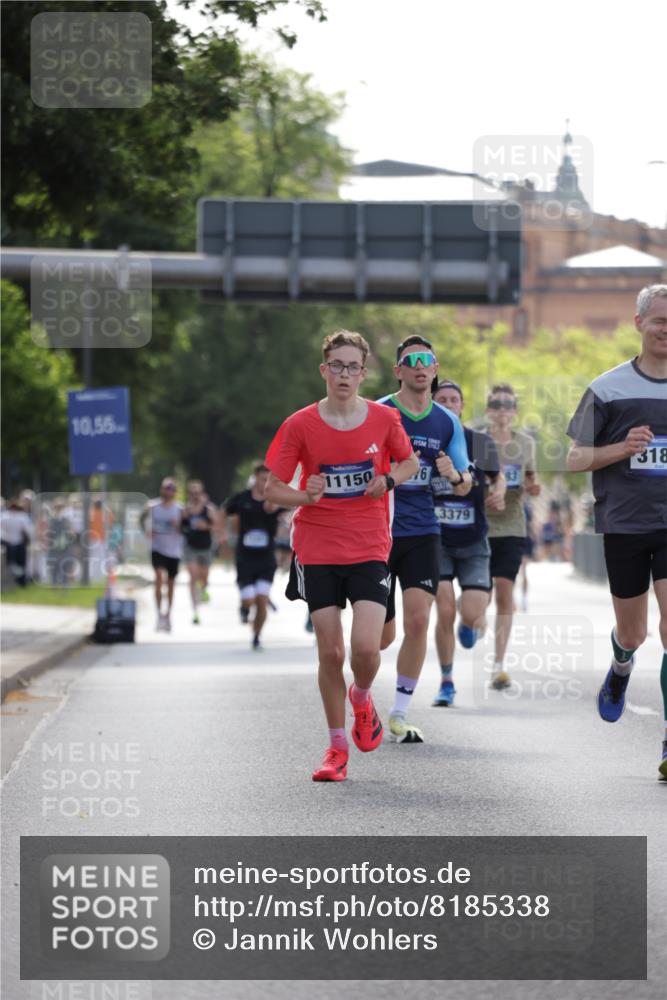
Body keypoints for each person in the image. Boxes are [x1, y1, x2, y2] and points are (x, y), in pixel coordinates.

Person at [264, 330, 418, 781]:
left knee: (367, 648)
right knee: (330, 654)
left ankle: (363, 695)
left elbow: (408, 463)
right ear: (324, 371)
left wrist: (388, 482)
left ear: (364, 374)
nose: (344, 374)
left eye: (353, 367)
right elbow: (272, 489)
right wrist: (303, 496)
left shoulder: (384, 420)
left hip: (369, 544)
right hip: (317, 548)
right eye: (337, 366)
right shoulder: (299, 425)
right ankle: (335, 750)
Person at [566, 283, 667, 781]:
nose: (666, 330)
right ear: (639, 324)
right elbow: (575, 458)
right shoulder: (607, 388)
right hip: (625, 524)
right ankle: (621, 665)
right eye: (659, 321)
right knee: (635, 631)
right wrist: (621, 449)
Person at [377, 338, 472, 742]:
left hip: (422, 532)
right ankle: (362, 694)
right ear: (398, 371)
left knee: (419, 621)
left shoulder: (446, 422)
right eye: (410, 361)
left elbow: (466, 484)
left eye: (427, 361)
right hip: (377, 533)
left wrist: (453, 476)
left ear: (434, 370)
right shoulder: (379, 412)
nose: (419, 366)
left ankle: (399, 712)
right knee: (379, 639)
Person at [430, 379, 505, 707]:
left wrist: (499, 490)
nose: (448, 403)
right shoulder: (424, 441)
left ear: (461, 406)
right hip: (436, 540)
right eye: (441, 399)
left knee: (474, 614)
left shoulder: (480, 442)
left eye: (453, 399)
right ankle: (447, 681)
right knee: (443, 609)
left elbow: (496, 476)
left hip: (474, 540)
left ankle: (470, 622)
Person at [484, 384, 541, 689]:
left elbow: (532, 479)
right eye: (497, 403)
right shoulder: (477, 442)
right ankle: (472, 618)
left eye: (508, 404)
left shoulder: (525, 443)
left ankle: (498, 664)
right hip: (478, 525)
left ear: (515, 411)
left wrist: (534, 487)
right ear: (487, 410)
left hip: (512, 525)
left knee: (505, 589)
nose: (503, 409)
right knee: (480, 597)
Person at [224, 463, 283, 649]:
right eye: (261, 479)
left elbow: (293, 508)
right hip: (245, 557)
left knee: (262, 600)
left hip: (266, 558)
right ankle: (244, 607)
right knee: (249, 598)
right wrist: (221, 535)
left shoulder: (275, 498)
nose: (264, 482)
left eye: (268, 479)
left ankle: (257, 636)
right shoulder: (242, 498)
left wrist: (276, 503)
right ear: (255, 478)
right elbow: (223, 512)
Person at [140, 478, 183, 632]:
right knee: (158, 576)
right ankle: (158, 614)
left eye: (171, 488)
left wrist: (178, 526)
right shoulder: (152, 506)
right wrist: (146, 531)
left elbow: (186, 528)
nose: (168, 491)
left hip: (173, 551)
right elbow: (141, 519)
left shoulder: (179, 509)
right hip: (157, 548)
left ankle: (168, 614)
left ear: (175, 492)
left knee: (170, 583)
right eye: (166, 488)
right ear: (161, 490)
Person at [181, 480, 218, 625]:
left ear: (201, 494)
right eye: (192, 493)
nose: (195, 496)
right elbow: (181, 527)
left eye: (197, 493)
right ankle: (195, 610)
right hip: (190, 547)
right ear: (189, 495)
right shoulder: (186, 510)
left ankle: (204, 589)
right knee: (193, 576)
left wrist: (206, 525)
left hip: (205, 547)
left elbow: (216, 525)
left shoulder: (208, 509)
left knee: (204, 578)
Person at [0, 498, 33, 587]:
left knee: (20, 563)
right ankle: (20, 580)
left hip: (12, 542)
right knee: (20, 563)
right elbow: (29, 531)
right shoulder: (21, 516)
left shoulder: (4, 516)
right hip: (14, 542)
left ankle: (20, 580)